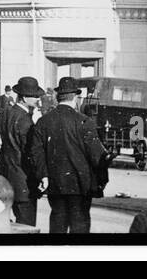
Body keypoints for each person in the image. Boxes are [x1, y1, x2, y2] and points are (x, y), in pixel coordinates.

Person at [27, 76, 110, 234]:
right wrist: (101, 180)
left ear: (58, 97)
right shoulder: (85, 122)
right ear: (76, 98)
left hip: (55, 182)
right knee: (80, 224)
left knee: (57, 221)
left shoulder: (43, 121)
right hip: (80, 185)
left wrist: (43, 176)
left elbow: (35, 152)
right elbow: (96, 156)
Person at [0, 75, 42, 226]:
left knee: (3, 224)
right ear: (24, 98)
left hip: (4, 176)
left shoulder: (5, 113)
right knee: (26, 225)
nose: (37, 99)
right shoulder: (26, 121)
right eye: (34, 96)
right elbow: (31, 152)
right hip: (24, 181)